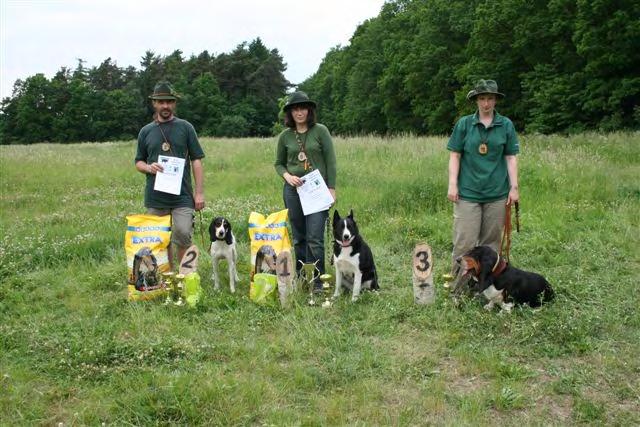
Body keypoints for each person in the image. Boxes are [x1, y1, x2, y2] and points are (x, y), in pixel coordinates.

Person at [446, 79, 519, 289]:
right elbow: (455, 155)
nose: (486, 103)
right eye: (482, 99)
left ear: (495, 100)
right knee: (464, 243)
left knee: (490, 245)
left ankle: (486, 288)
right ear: (476, 100)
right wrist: (453, 184)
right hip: (468, 193)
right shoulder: (464, 124)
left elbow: (511, 157)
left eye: (490, 98)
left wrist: (514, 187)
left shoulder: (505, 125)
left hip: (496, 193)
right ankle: (459, 287)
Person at [135, 81, 205, 268]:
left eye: (169, 101)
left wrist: (199, 193)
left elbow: (196, 160)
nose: (165, 105)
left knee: (183, 233)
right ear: (154, 104)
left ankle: (184, 278)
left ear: (174, 103)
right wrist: (149, 168)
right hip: (155, 197)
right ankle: (166, 277)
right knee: (159, 238)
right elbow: (138, 162)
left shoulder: (186, 127)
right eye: (161, 102)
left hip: (182, 196)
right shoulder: (145, 131)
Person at [274, 91, 336, 291]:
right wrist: (287, 177)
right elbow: (279, 164)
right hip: (293, 190)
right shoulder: (285, 136)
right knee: (299, 236)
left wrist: (332, 188)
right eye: (295, 109)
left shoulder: (321, 131)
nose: (299, 112)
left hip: (317, 190)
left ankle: (317, 281)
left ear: (309, 110)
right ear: (290, 113)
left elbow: (331, 162)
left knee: (315, 237)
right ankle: (303, 277)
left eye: (303, 108)